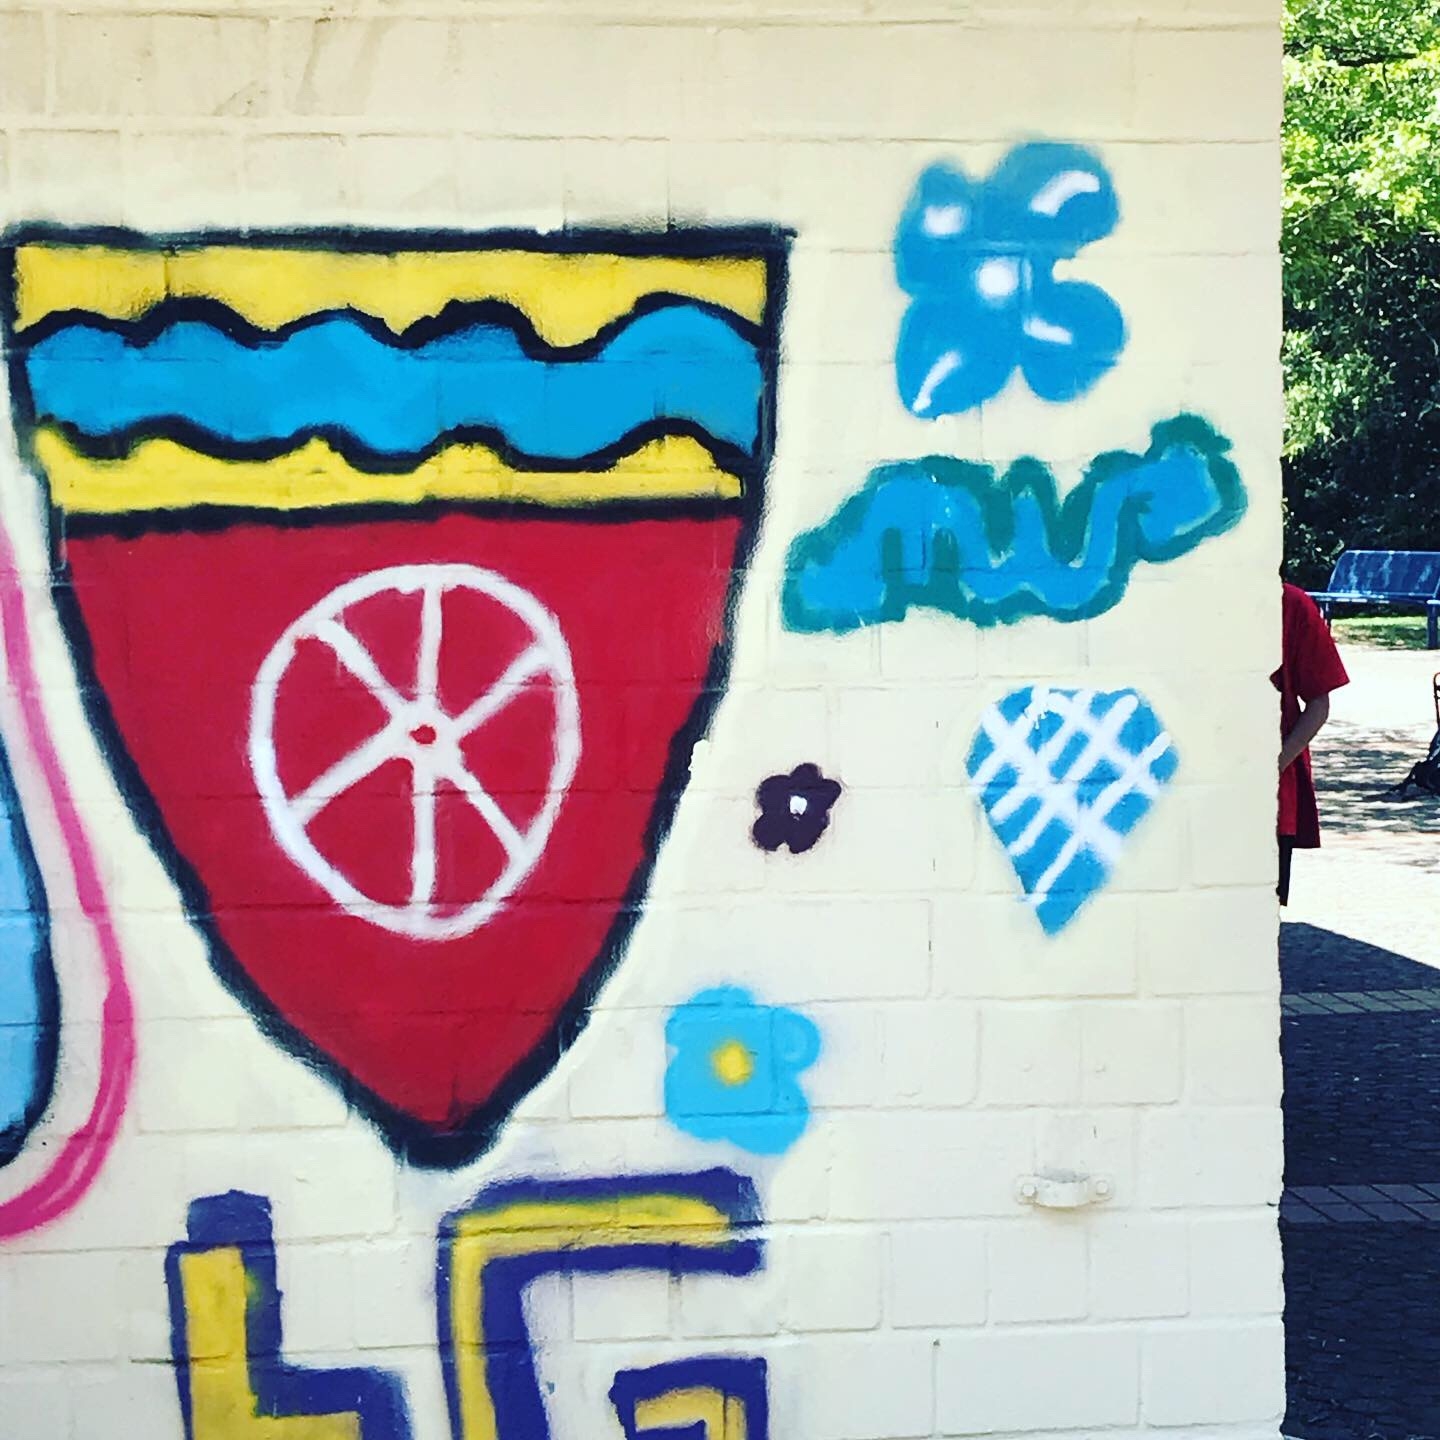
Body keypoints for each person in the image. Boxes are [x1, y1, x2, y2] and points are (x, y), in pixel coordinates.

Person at [1273, 581, 1349, 905]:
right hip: (1195, 794)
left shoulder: (1292, 605)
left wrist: (1273, 766)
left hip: (1271, 799)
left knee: (1258, 926)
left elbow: (1319, 704)